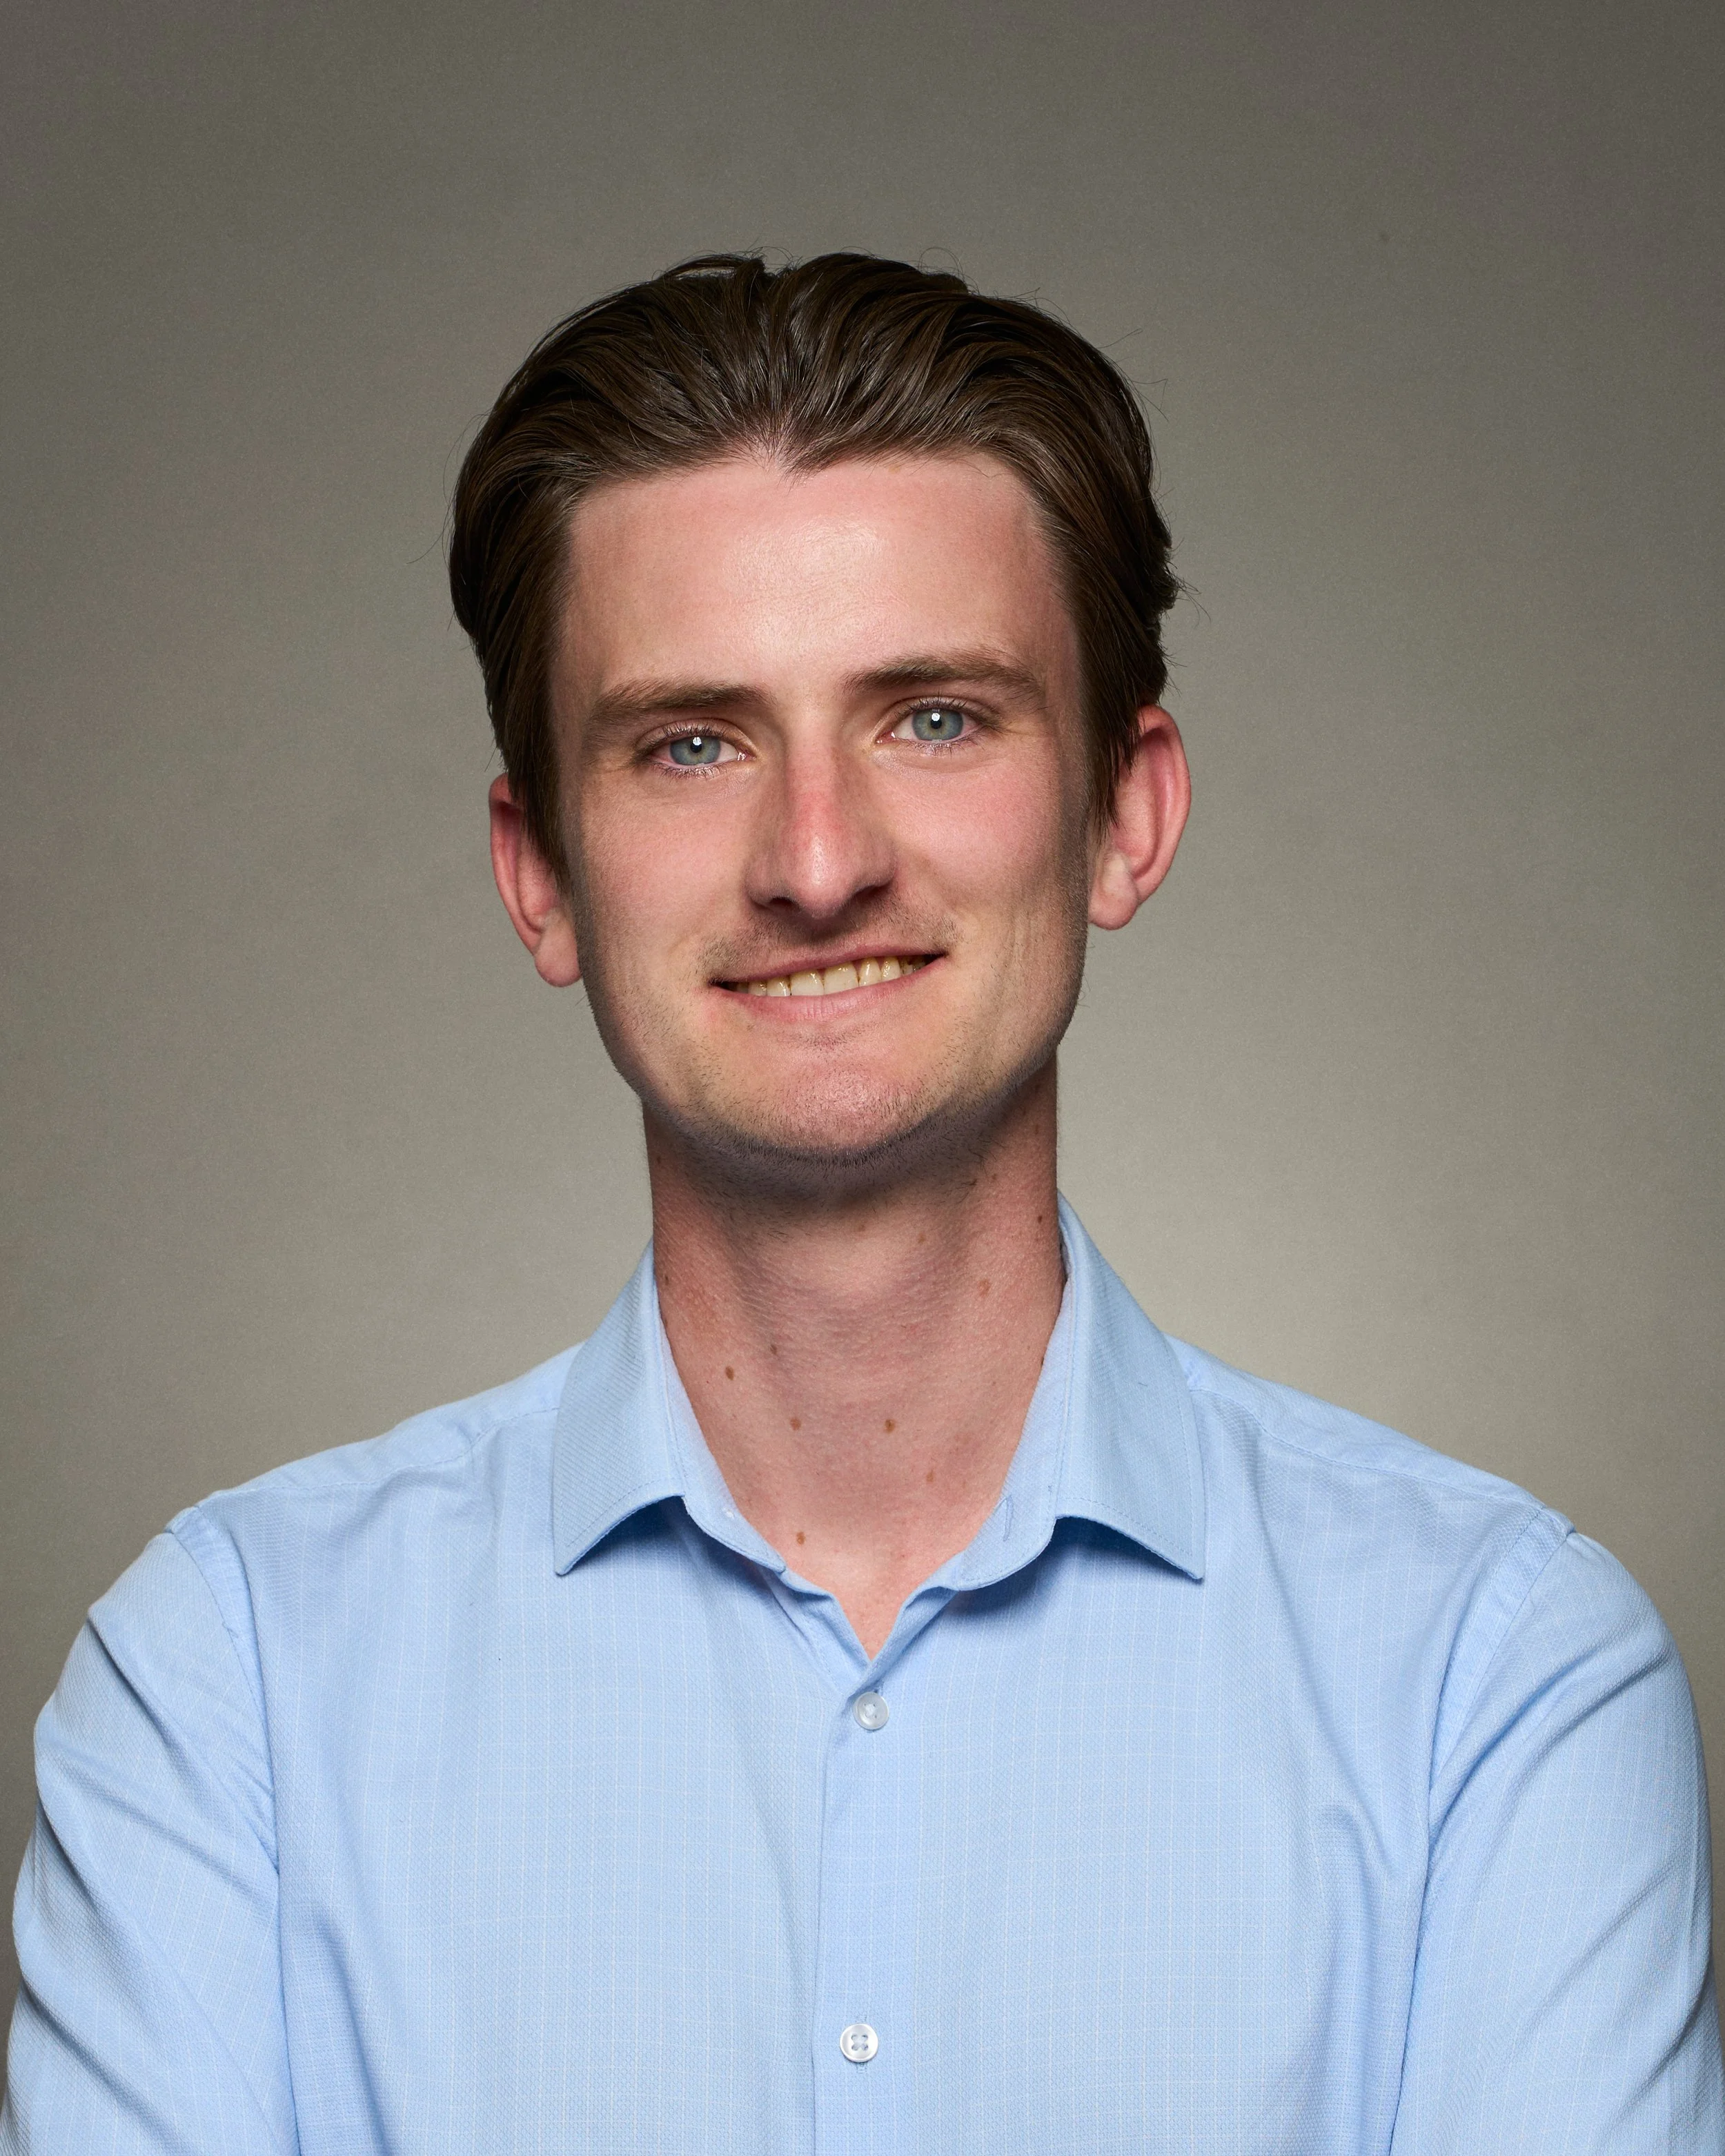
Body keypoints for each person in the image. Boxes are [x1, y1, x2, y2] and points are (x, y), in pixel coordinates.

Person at [3, 252, 1719, 2155]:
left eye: (934, 718)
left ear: (1124, 813)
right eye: (691, 742)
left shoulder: (1493, 1675)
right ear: (541, 871)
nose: (816, 863)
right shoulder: (229, 1682)